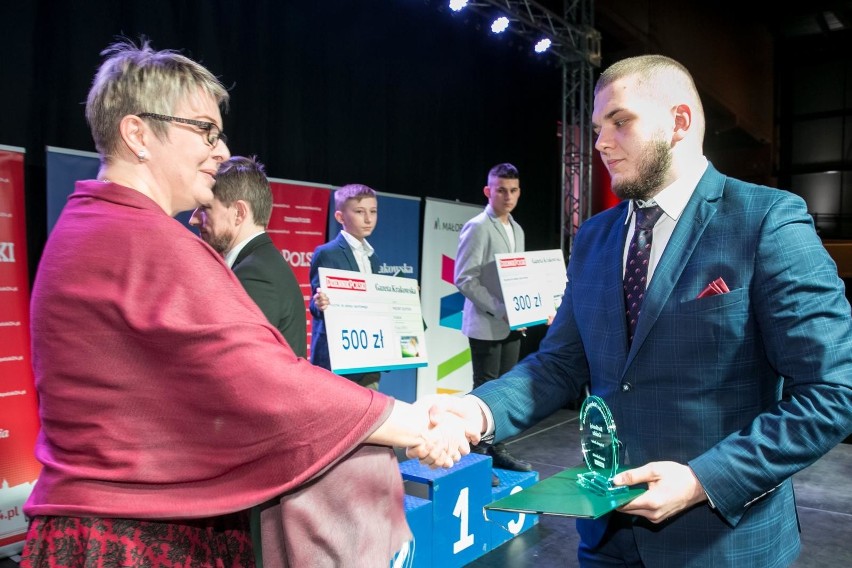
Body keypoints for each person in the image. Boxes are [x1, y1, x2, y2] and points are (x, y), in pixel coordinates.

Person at [20, 39, 472, 568]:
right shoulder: (142, 239)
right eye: (204, 130)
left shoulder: (92, 225)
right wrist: (416, 424)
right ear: (138, 133)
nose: (219, 149)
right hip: (138, 543)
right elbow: (263, 382)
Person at [433, 54, 852, 567]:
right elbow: (562, 362)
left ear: (679, 122)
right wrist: (477, 410)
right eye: (596, 128)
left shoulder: (766, 221)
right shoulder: (595, 236)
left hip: (720, 544)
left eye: (620, 121)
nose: (601, 143)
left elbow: (832, 392)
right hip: (607, 538)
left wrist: (703, 481)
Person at [454, 162, 533, 484]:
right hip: (487, 324)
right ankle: (477, 460)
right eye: (501, 190)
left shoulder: (517, 229)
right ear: (488, 191)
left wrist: (528, 310)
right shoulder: (477, 226)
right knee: (484, 392)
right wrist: (501, 309)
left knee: (505, 390)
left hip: (513, 324)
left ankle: (497, 450)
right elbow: (464, 278)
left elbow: (519, 276)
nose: (508, 196)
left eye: (513, 190)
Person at [190, 155, 307, 357]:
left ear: (239, 212)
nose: (193, 219)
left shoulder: (255, 274)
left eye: (205, 208)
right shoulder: (258, 264)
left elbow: (234, 361)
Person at [309, 183, 383, 389]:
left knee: (373, 416)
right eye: (360, 212)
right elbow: (314, 305)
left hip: (368, 358)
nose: (368, 219)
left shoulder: (374, 258)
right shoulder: (327, 253)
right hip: (337, 360)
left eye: (373, 211)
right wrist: (320, 303)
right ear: (340, 217)